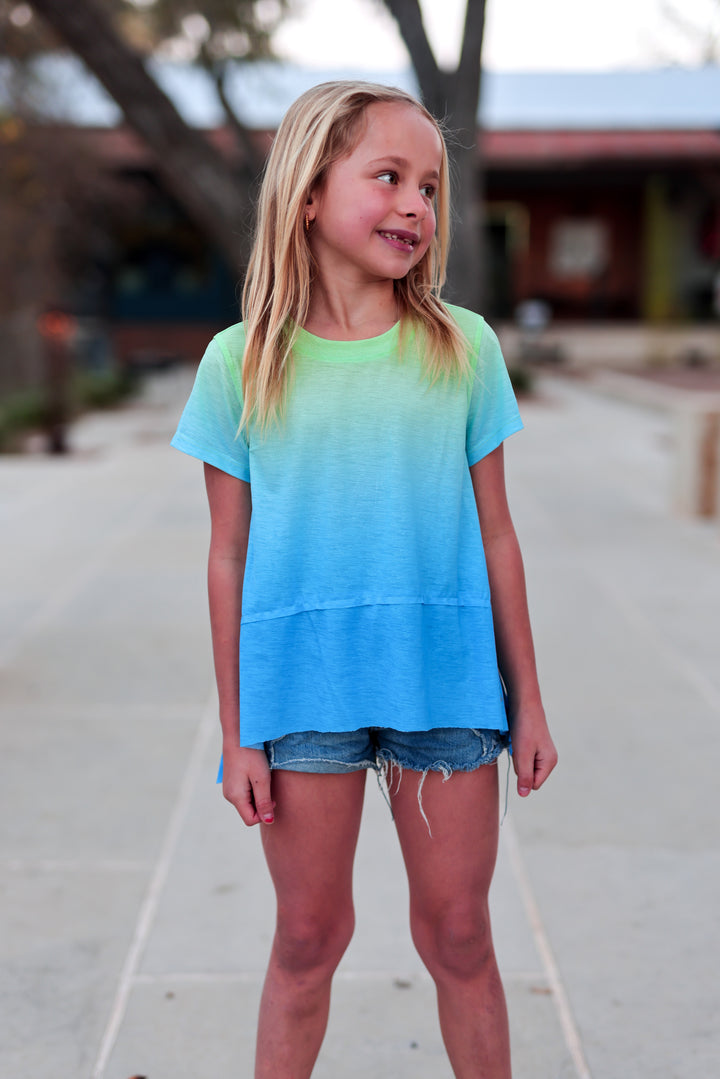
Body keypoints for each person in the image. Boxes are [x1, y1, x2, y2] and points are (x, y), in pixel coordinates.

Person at [171, 79, 557, 1079]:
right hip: (305, 690)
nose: (416, 207)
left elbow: (498, 534)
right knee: (307, 940)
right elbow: (226, 554)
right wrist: (236, 727)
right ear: (307, 192)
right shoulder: (239, 363)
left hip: (447, 683)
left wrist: (530, 699)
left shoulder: (462, 348)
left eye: (429, 186)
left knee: (461, 936)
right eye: (388, 176)